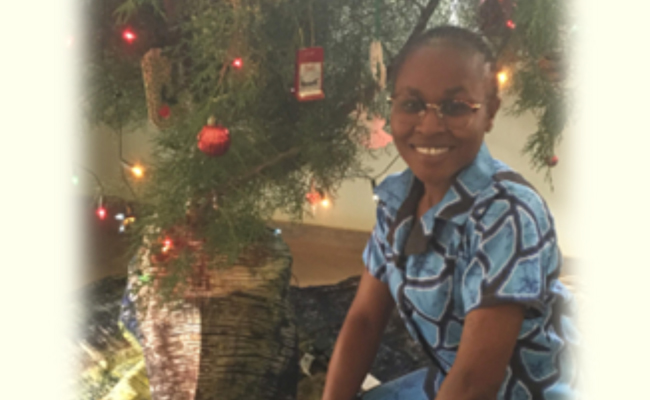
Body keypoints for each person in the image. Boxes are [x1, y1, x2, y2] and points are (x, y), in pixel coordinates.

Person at [321, 26, 578, 400]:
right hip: (448, 380)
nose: (429, 125)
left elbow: (476, 381)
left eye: (456, 107)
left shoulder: (507, 214)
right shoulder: (397, 201)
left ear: (490, 113)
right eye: (411, 104)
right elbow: (363, 320)